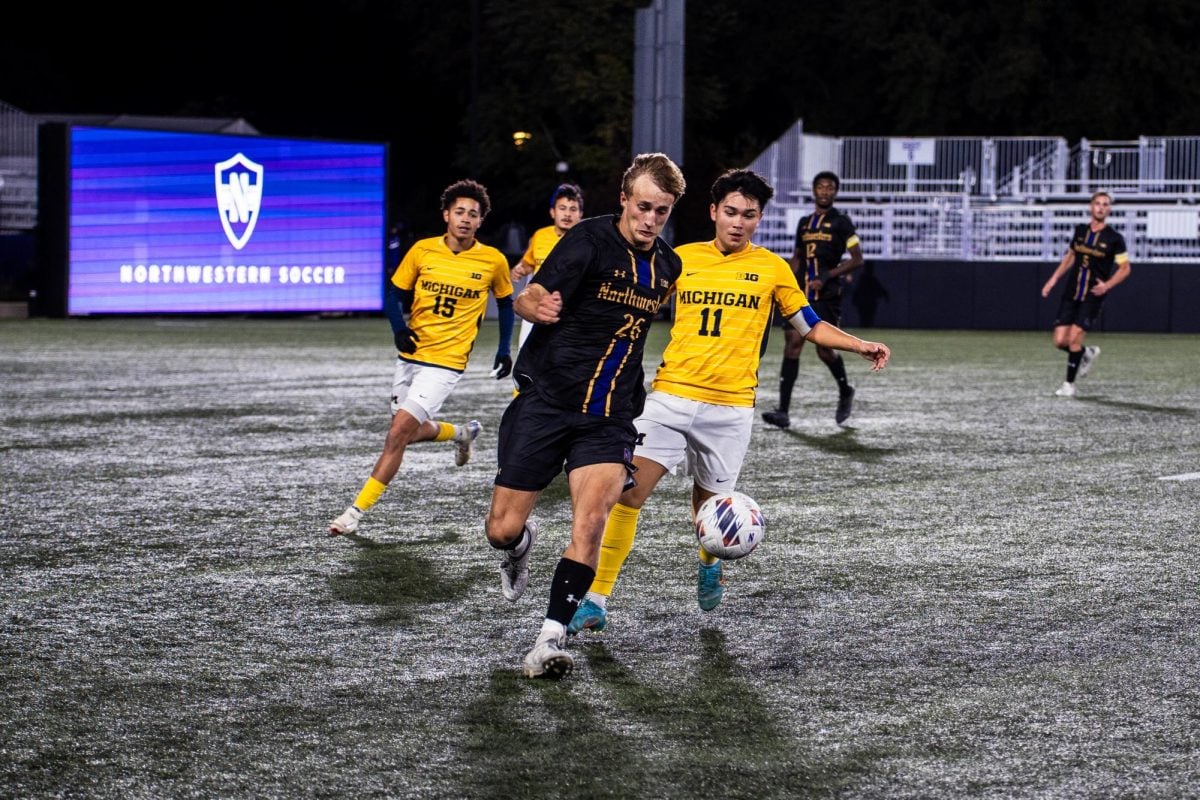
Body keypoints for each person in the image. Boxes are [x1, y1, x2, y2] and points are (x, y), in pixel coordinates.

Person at [565, 169, 891, 635]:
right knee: (627, 495)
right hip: (672, 396)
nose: (739, 223)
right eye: (731, 212)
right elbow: (636, 301)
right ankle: (596, 599)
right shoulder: (679, 259)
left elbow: (809, 325)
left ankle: (709, 561)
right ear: (714, 212)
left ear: (760, 218)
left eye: (750, 215)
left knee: (708, 510)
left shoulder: (773, 269)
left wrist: (860, 345)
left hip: (730, 409)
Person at [482, 153, 686, 680]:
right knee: (501, 528)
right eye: (643, 207)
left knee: (591, 522)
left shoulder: (668, 266)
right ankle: (518, 547)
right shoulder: (587, 242)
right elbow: (530, 295)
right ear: (623, 199)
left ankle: (551, 637)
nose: (649, 220)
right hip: (547, 401)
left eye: (661, 212)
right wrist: (533, 308)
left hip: (610, 415)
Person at [329, 179, 515, 536]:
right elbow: (393, 294)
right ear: (446, 215)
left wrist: (504, 347)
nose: (465, 219)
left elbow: (506, 303)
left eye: (472, 214)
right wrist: (399, 328)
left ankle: (355, 513)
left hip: (446, 363)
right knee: (407, 435)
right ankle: (461, 433)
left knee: (396, 434)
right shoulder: (422, 251)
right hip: (411, 355)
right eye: (459, 211)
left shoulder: (492, 260)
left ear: (480, 222)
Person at [763, 171, 865, 428]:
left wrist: (828, 275)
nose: (825, 191)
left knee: (825, 349)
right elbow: (797, 256)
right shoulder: (804, 223)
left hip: (827, 295)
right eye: (821, 186)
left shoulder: (842, 222)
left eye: (830, 187)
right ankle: (783, 412)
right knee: (793, 343)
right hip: (802, 293)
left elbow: (856, 259)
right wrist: (784, 280)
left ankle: (845, 390)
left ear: (835, 192)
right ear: (814, 191)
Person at [1040, 190, 1132, 397]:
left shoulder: (1114, 238)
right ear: (1091, 207)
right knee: (1059, 341)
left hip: (1093, 295)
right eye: (1098, 203)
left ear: (1109, 210)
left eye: (1105, 204)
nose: (1101, 207)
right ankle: (1086, 353)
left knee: (1073, 339)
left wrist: (1107, 285)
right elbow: (1070, 256)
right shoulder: (1080, 231)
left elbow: (1125, 268)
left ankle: (1068, 385)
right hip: (1072, 292)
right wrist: (1053, 279)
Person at [511, 183, 585, 350]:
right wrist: (520, 269)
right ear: (553, 212)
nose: (567, 214)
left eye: (573, 209)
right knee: (526, 358)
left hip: (568, 314)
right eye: (562, 208)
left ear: (580, 214)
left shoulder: (586, 242)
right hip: (536, 307)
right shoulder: (539, 236)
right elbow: (529, 264)